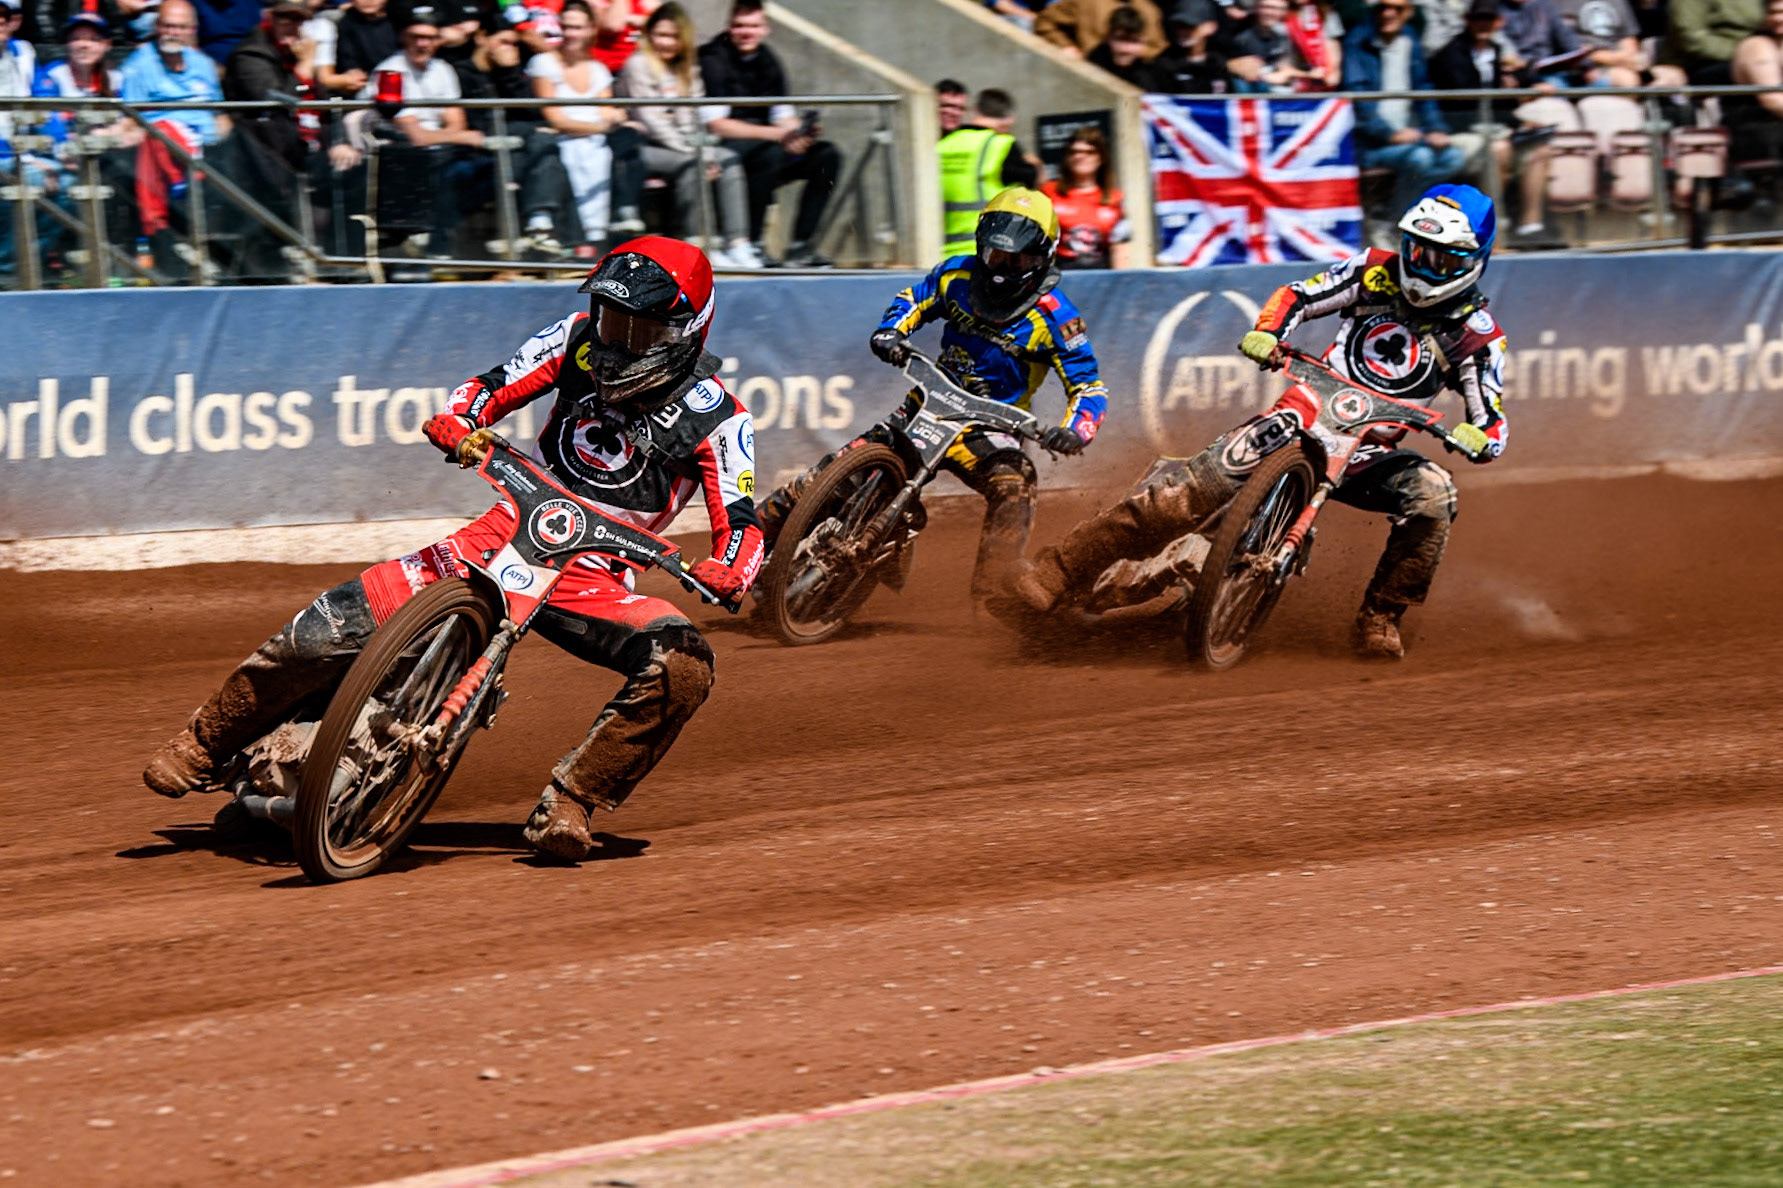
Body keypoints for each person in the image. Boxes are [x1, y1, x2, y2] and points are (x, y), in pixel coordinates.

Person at [142, 237, 762, 865]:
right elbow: (493, 384)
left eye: (638, 328)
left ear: (684, 330)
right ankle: (206, 741)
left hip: (594, 576)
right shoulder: (575, 337)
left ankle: (573, 800)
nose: (615, 339)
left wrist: (731, 570)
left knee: (685, 664)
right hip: (508, 527)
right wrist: (460, 416)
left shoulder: (722, 419)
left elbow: (741, 523)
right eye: (610, 319)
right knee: (336, 620)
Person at [1010, 184, 1506, 660]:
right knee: (1181, 496)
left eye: (1440, 258)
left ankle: (1381, 616)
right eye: (1417, 250)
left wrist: (1480, 437)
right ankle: (1057, 571)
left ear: (1472, 262)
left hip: (1370, 452)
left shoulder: (1477, 336)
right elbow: (1298, 295)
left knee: (1434, 494)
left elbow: (1494, 423)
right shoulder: (1375, 270)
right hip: (1304, 413)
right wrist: (1268, 332)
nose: (1422, 265)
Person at [757, 188, 1109, 606]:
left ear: (1043, 257)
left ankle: (992, 597)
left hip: (990, 428)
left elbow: (1088, 387)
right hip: (926, 407)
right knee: (819, 481)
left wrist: (1074, 431)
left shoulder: (1058, 317)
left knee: (1016, 487)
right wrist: (892, 331)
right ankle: (742, 551)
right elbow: (915, 298)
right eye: (995, 255)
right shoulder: (956, 274)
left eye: (1016, 260)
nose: (1001, 269)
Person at [616, 2, 757, 267]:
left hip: (682, 145)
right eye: (660, 35)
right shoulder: (638, 64)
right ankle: (698, 244)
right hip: (642, 146)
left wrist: (707, 152)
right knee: (693, 165)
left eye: (673, 36)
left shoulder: (687, 69)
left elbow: (693, 117)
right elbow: (653, 120)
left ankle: (738, 243)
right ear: (649, 35)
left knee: (728, 159)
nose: (666, 43)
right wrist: (696, 154)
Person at [700, 0, 840, 268]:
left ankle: (801, 246)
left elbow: (782, 115)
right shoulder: (713, 58)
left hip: (767, 143)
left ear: (766, 28)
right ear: (730, 27)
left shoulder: (768, 60)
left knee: (826, 155)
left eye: (753, 26)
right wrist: (777, 135)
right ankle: (751, 243)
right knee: (770, 154)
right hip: (725, 146)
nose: (746, 32)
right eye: (739, 26)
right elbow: (716, 124)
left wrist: (800, 132)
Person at [361, 6, 488, 258]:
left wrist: (454, 135)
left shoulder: (443, 69)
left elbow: (456, 121)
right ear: (404, 38)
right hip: (398, 156)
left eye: (429, 38)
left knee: (486, 168)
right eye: (416, 37)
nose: (422, 44)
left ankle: (443, 241)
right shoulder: (389, 73)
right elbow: (415, 136)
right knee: (435, 169)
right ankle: (432, 246)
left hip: (440, 153)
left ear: (437, 40)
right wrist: (459, 136)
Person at [1428, 0, 1556, 241]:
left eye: (1488, 19)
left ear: (1499, 22)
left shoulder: (1498, 54)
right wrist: (1506, 90)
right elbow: (1467, 101)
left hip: (1497, 128)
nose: (1483, 25)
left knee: (1540, 148)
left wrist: (1522, 105)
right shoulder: (1450, 54)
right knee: (1499, 150)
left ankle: (1531, 227)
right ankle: (1491, 231)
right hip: (1462, 129)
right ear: (1468, 21)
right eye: (1478, 19)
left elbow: (1501, 101)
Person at [119, 0, 227, 275]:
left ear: (192, 29)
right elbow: (131, 119)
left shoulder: (203, 64)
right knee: (162, 131)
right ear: (157, 27)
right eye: (167, 25)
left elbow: (221, 114)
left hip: (210, 147)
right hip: (165, 152)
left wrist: (224, 136)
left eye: (180, 27)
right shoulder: (139, 65)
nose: (172, 32)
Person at [1343, 0, 1466, 219]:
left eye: (1397, 8)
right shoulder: (1358, 41)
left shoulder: (1410, 39)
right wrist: (1389, 134)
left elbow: (1423, 89)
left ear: (1408, 12)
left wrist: (1436, 128)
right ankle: (1400, 220)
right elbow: (1358, 98)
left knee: (1453, 157)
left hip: (1409, 137)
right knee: (1420, 158)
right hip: (1369, 144)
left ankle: (1397, 213)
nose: (1388, 14)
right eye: (1382, 7)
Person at [528, 0, 632, 255]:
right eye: (567, 26)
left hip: (592, 141)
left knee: (610, 151)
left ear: (590, 30)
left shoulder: (598, 69)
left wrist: (608, 122)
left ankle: (600, 236)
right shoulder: (544, 63)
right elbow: (555, 118)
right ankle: (573, 243)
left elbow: (607, 112)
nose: (571, 33)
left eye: (577, 27)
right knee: (573, 156)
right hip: (562, 140)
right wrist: (599, 126)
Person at [937, 87, 1039, 257]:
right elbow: (1034, 185)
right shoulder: (1001, 144)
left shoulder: (942, 145)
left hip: (941, 252)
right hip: (985, 251)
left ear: (975, 111)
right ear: (1008, 120)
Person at [1042, 125, 1129, 268]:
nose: (1080, 156)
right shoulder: (1049, 192)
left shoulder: (1115, 199)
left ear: (1101, 158)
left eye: (1089, 152)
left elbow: (1120, 248)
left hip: (1100, 276)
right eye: (1074, 152)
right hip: (1059, 276)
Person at [1667, 0, 1763, 83]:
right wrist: (1744, 53)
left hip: (1761, 52)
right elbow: (1689, 36)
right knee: (1761, 67)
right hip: (1704, 62)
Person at [1151, 0, 1234, 91]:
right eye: (1179, 25)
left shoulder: (1221, 65)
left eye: (1190, 26)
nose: (1183, 31)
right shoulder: (1163, 66)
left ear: (1210, 27)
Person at [1036, 0, 1168, 56]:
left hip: (1135, 81)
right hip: (1094, 73)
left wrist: (1133, 50)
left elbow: (1158, 47)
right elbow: (1045, 21)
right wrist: (1066, 46)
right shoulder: (1086, 3)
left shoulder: (1149, 10)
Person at [323, 0, 397, 93]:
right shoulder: (345, 24)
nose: (368, 1)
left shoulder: (399, 22)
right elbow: (347, 58)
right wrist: (351, 71)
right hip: (363, 86)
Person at [1087, 3, 1166, 83]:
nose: (1125, 49)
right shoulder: (1093, 64)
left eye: (1134, 41)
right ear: (1108, 38)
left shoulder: (1153, 77)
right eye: (1120, 39)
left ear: (1144, 43)